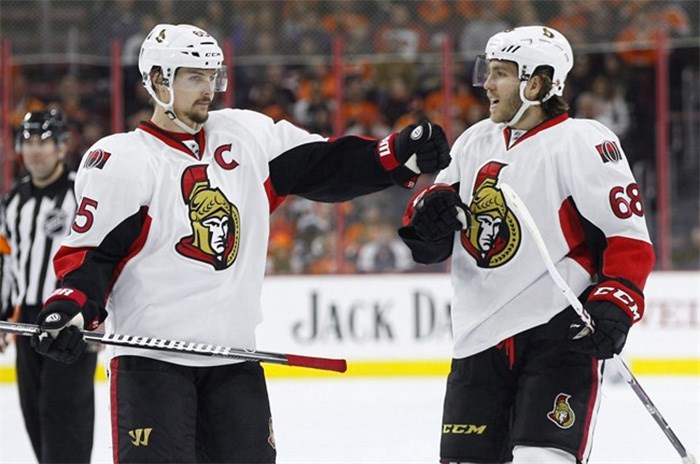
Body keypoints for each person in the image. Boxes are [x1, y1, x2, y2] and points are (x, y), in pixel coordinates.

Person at [30, 24, 450, 463]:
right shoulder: (122, 158)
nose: (208, 88)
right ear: (158, 81)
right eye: (195, 77)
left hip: (233, 362)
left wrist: (394, 152)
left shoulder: (246, 136)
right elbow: (94, 256)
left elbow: (324, 164)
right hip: (151, 366)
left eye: (212, 76)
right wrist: (71, 302)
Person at [399, 26, 655, 464]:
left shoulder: (584, 140)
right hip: (477, 339)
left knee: (544, 459)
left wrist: (619, 299)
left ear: (536, 83)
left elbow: (627, 236)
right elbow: (429, 237)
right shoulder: (474, 141)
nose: (486, 84)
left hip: (558, 333)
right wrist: (429, 216)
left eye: (499, 73)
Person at [0, 109, 97, 463]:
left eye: (43, 141)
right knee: (36, 417)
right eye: (27, 141)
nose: (35, 150)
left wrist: (96, 316)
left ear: (61, 148)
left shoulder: (81, 194)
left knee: (66, 421)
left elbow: (100, 258)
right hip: (26, 321)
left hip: (70, 319)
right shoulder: (14, 200)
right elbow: (7, 262)